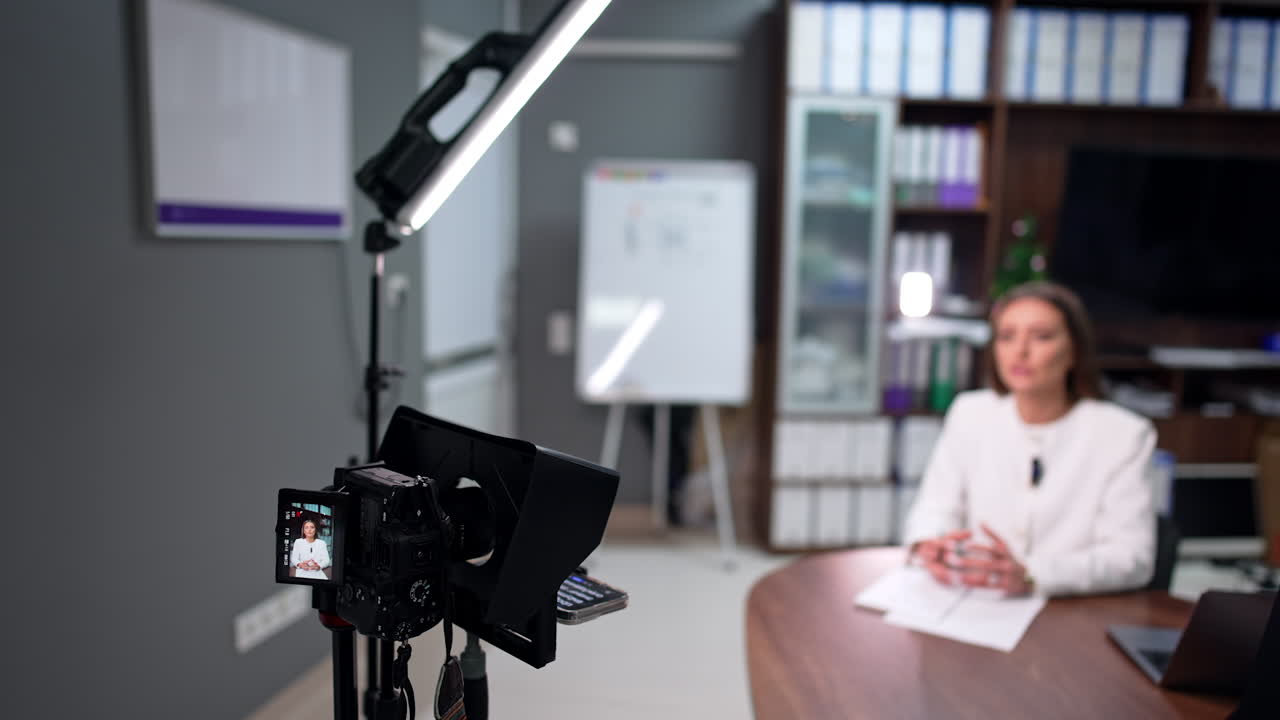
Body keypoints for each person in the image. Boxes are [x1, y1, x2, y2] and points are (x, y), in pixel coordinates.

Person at [904, 281, 1156, 596]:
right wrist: (931, 544)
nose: (1020, 352)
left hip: (1070, 610)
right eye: (1007, 336)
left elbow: (1131, 558)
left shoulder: (1124, 435)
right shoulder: (970, 413)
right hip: (975, 599)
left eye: (1041, 337)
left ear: (1074, 350)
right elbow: (935, 506)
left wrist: (1033, 575)